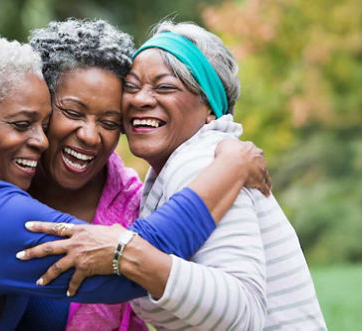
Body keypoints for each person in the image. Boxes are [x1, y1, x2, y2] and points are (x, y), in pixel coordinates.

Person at [0, 19, 270, 330]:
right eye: (67, 113)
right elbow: (137, 261)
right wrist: (229, 169)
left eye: (111, 121)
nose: (38, 139)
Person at [23, 21, 328, 330]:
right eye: (132, 87)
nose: (140, 99)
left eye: (164, 86)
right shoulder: (177, 176)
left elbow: (244, 308)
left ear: (210, 107)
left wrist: (122, 251)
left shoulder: (204, 160)